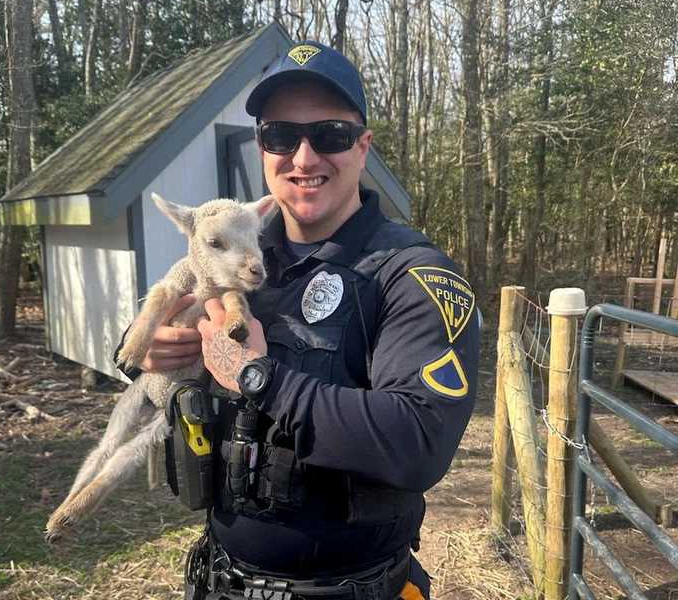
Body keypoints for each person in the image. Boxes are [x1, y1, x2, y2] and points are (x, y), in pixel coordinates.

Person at [116, 41, 480, 600]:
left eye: (330, 135)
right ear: (263, 150)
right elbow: (160, 321)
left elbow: (418, 442)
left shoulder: (412, 274)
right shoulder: (240, 254)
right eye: (281, 137)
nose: (304, 158)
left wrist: (258, 376)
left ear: (363, 147)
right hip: (220, 580)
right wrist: (149, 348)